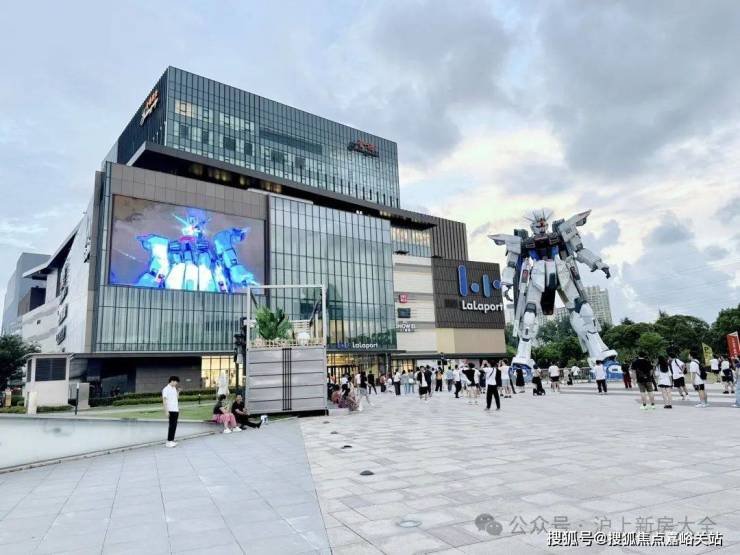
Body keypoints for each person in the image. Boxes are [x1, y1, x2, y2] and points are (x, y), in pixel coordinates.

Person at [162, 376, 180, 447]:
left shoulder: (174, 388)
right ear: (172, 381)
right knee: (171, 426)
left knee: (174, 426)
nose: (176, 384)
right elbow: (164, 401)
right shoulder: (166, 389)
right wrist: (166, 411)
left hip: (176, 409)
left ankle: (171, 440)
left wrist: (178, 392)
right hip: (170, 410)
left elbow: (176, 398)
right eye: (176, 382)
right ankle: (168, 442)